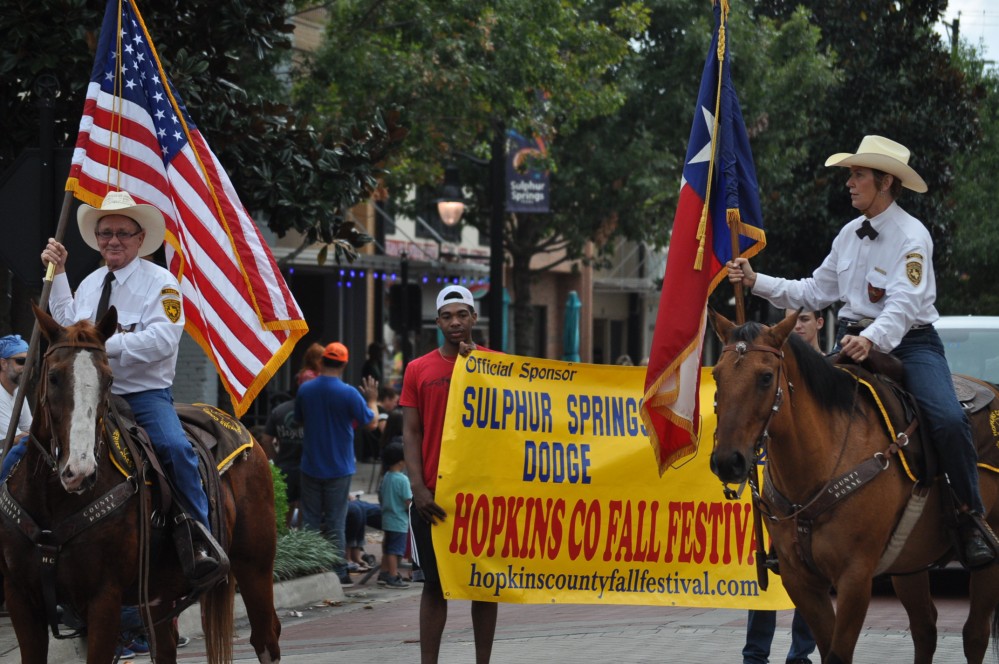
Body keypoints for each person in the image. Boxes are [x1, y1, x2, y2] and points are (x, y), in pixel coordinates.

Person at [725, 135, 994, 568]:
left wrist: (872, 340)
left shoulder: (912, 236)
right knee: (791, 405)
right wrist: (758, 281)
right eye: (850, 174)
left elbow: (904, 305)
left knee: (946, 418)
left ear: (885, 181)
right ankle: (791, 524)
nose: (849, 183)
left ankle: (969, 518)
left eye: (858, 174)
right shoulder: (848, 234)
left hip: (908, 344)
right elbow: (814, 290)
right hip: (852, 341)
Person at [41, 190, 224, 581]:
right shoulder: (91, 283)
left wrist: (101, 349)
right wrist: (58, 273)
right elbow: (67, 324)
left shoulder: (163, 284)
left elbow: (163, 340)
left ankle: (200, 537)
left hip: (144, 396)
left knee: (175, 448)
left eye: (123, 233)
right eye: (106, 232)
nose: (113, 240)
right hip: (91, 398)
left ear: (141, 239)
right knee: (34, 447)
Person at [401, 284, 498, 663]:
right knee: (435, 588)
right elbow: (411, 431)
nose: (455, 322)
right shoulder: (418, 369)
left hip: (482, 495)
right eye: (447, 316)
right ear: (437, 322)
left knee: (484, 586)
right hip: (433, 498)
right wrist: (418, 487)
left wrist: (477, 370)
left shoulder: (494, 364)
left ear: (474, 318)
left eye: (462, 315)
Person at [742, 308, 821, 664]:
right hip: (777, 489)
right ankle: (755, 654)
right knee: (767, 565)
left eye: (803, 319)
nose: (795, 326)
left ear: (820, 322)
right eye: (789, 320)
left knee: (812, 574)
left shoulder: (831, 371)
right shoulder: (768, 367)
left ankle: (800, 655)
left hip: (819, 494)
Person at [294, 341, 378, 588]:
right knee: (335, 520)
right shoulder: (349, 393)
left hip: (310, 463)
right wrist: (372, 399)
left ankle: (308, 568)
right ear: (343, 364)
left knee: (309, 518)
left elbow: (298, 420)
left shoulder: (306, 390)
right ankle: (338, 570)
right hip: (339, 467)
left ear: (322, 362)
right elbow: (371, 423)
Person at [260, 393, 306, 527]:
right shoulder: (314, 409)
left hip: (285, 466)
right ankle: (303, 542)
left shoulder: (279, 410)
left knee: (284, 509)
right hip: (309, 468)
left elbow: (266, 439)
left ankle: (285, 542)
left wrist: (276, 459)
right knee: (306, 510)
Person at [377, 441, 412, 589]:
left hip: (387, 518)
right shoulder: (402, 479)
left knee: (388, 547)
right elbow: (407, 500)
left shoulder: (386, 477)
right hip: (399, 520)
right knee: (395, 550)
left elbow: (381, 496)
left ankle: (384, 572)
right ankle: (392, 575)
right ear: (401, 461)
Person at [0, 335, 32, 480]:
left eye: (30, 362)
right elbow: (16, 439)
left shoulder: (19, 391)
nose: (27, 367)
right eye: (21, 361)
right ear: (3, 364)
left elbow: (29, 428)